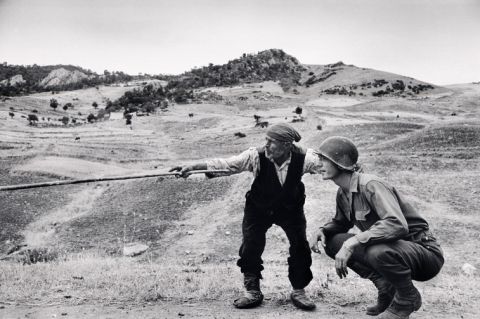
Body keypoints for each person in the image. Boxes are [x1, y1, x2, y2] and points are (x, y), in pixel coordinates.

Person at [170, 123, 321, 310]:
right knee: (251, 245)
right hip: (258, 208)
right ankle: (252, 291)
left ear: (287, 145)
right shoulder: (255, 156)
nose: (266, 145)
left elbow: (329, 165)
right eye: (266, 140)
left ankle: (299, 290)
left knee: (300, 245)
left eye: (271, 142)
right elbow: (226, 165)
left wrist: (351, 168)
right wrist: (192, 167)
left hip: (290, 208)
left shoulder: (305, 158)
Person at [310, 136, 444, 319]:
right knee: (333, 241)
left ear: (340, 163)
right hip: (393, 249)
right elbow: (341, 223)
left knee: (375, 250)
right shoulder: (343, 192)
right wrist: (322, 230)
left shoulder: (371, 185)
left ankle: (407, 298)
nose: (319, 164)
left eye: (324, 159)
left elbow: (396, 224)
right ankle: (387, 290)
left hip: (424, 253)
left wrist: (353, 243)